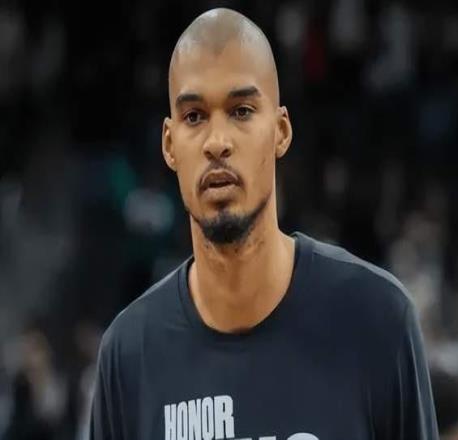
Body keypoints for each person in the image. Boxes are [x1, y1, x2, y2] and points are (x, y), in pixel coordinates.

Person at [89, 8, 439, 440]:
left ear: (281, 131)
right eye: (194, 116)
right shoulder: (128, 355)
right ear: (169, 144)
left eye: (241, 111)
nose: (217, 142)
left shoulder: (378, 320)